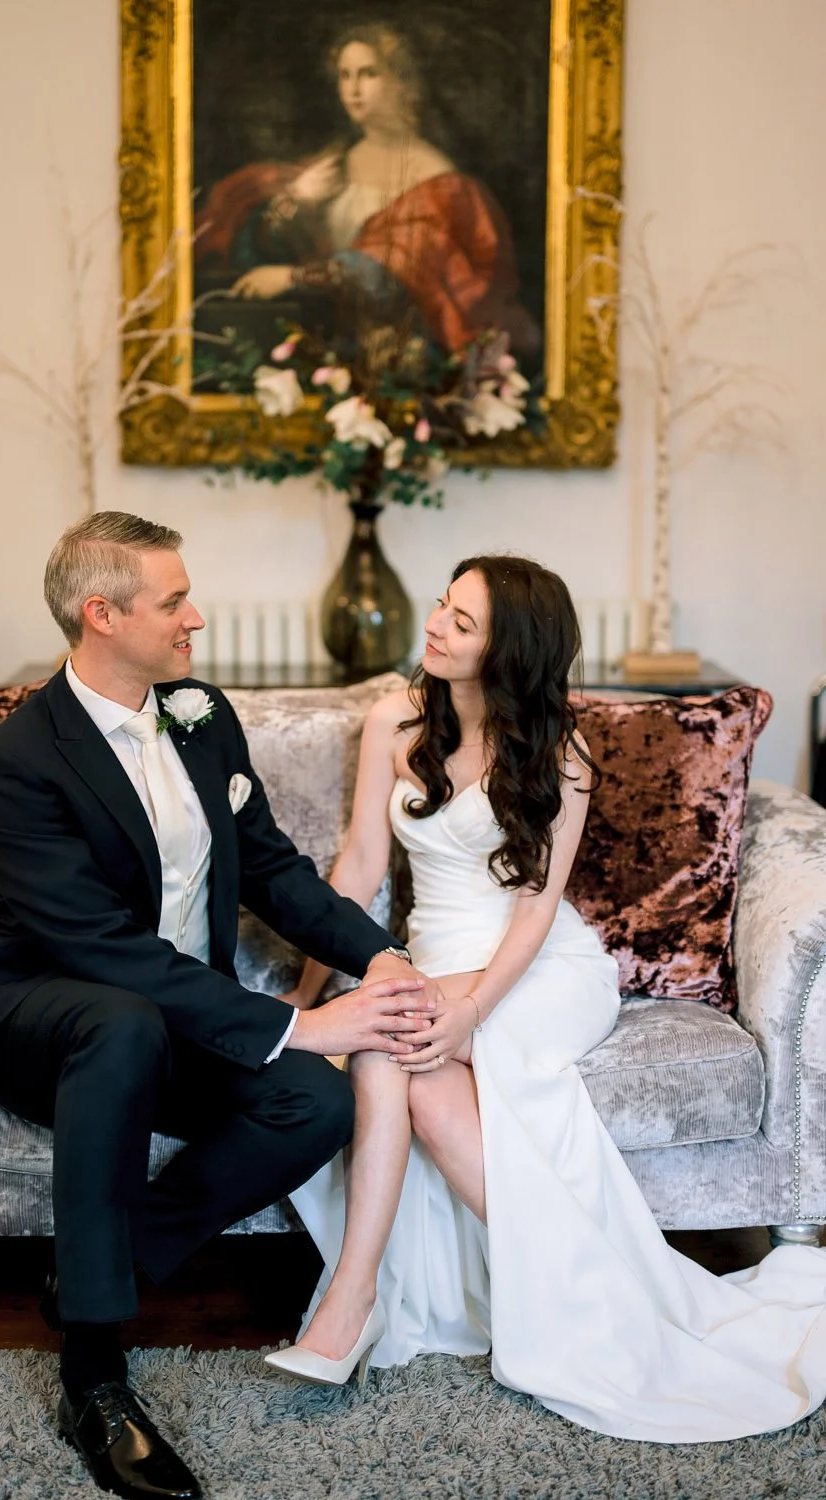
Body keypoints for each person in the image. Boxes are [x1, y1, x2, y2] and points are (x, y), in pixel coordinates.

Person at [0, 511, 440, 1500]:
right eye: (173, 600)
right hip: (41, 1013)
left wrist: (383, 957)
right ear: (100, 614)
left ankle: (100, 1267)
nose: (197, 617)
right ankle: (93, 1378)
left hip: (172, 1014)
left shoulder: (199, 712)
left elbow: (274, 872)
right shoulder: (19, 760)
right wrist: (301, 1023)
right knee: (122, 1017)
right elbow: (95, 950)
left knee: (313, 1105)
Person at [267, 554, 826, 1444]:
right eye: (443, 606)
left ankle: (351, 1298)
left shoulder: (560, 754)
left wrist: (471, 1011)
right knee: (413, 1071)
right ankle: (598, 1289)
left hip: (540, 968)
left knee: (381, 1039)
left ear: (511, 652)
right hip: (436, 953)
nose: (436, 626)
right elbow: (362, 868)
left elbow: (532, 917)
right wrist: (308, 985)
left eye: (462, 621)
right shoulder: (391, 722)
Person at [195, 22, 540, 360]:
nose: (353, 89)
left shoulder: (440, 181)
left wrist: (293, 277)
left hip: (405, 354)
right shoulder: (334, 164)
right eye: (345, 76)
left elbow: (393, 271)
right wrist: (293, 203)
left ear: (404, 82)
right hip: (327, 346)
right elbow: (257, 251)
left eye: (368, 74)